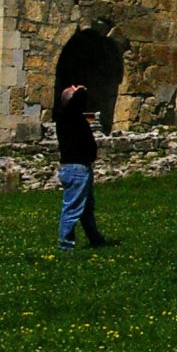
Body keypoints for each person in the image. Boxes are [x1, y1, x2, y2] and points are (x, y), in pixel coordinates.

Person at [55, 83, 112, 251]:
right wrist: (79, 89)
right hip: (76, 169)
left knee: (86, 208)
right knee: (72, 208)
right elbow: (79, 98)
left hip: (81, 168)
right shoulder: (67, 115)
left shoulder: (73, 117)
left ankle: (96, 239)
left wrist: (76, 91)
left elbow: (78, 100)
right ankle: (65, 245)